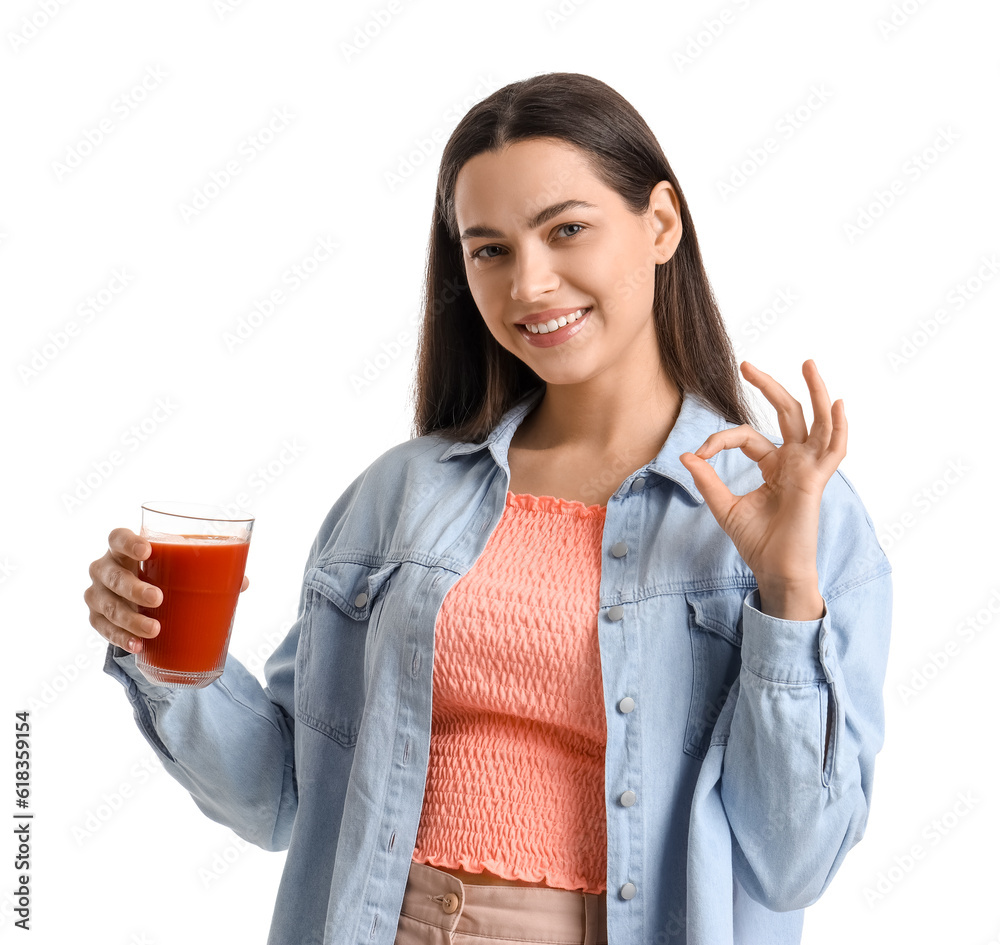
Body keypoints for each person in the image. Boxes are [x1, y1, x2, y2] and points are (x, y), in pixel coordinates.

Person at [84, 72, 893, 945]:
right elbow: (280, 795)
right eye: (490, 250)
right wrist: (166, 652)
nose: (530, 284)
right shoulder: (402, 494)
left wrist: (785, 593)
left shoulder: (791, 511)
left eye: (567, 230)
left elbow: (793, 858)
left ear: (661, 223)